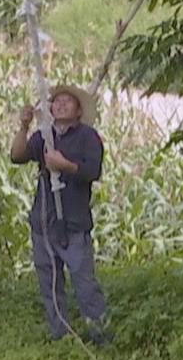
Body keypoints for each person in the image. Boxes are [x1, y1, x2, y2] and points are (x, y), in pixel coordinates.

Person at [9, 84, 108, 344]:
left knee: (84, 282)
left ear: (78, 111)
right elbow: (17, 156)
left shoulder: (88, 136)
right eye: (56, 101)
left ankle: (99, 333)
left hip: (74, 222)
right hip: (44, 220)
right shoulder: (44, 136)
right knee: (50, 284)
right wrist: (24, 126)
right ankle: (60, 336)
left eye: (68, 101)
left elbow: (92, 171)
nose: (61, 104)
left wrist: (65, 166)